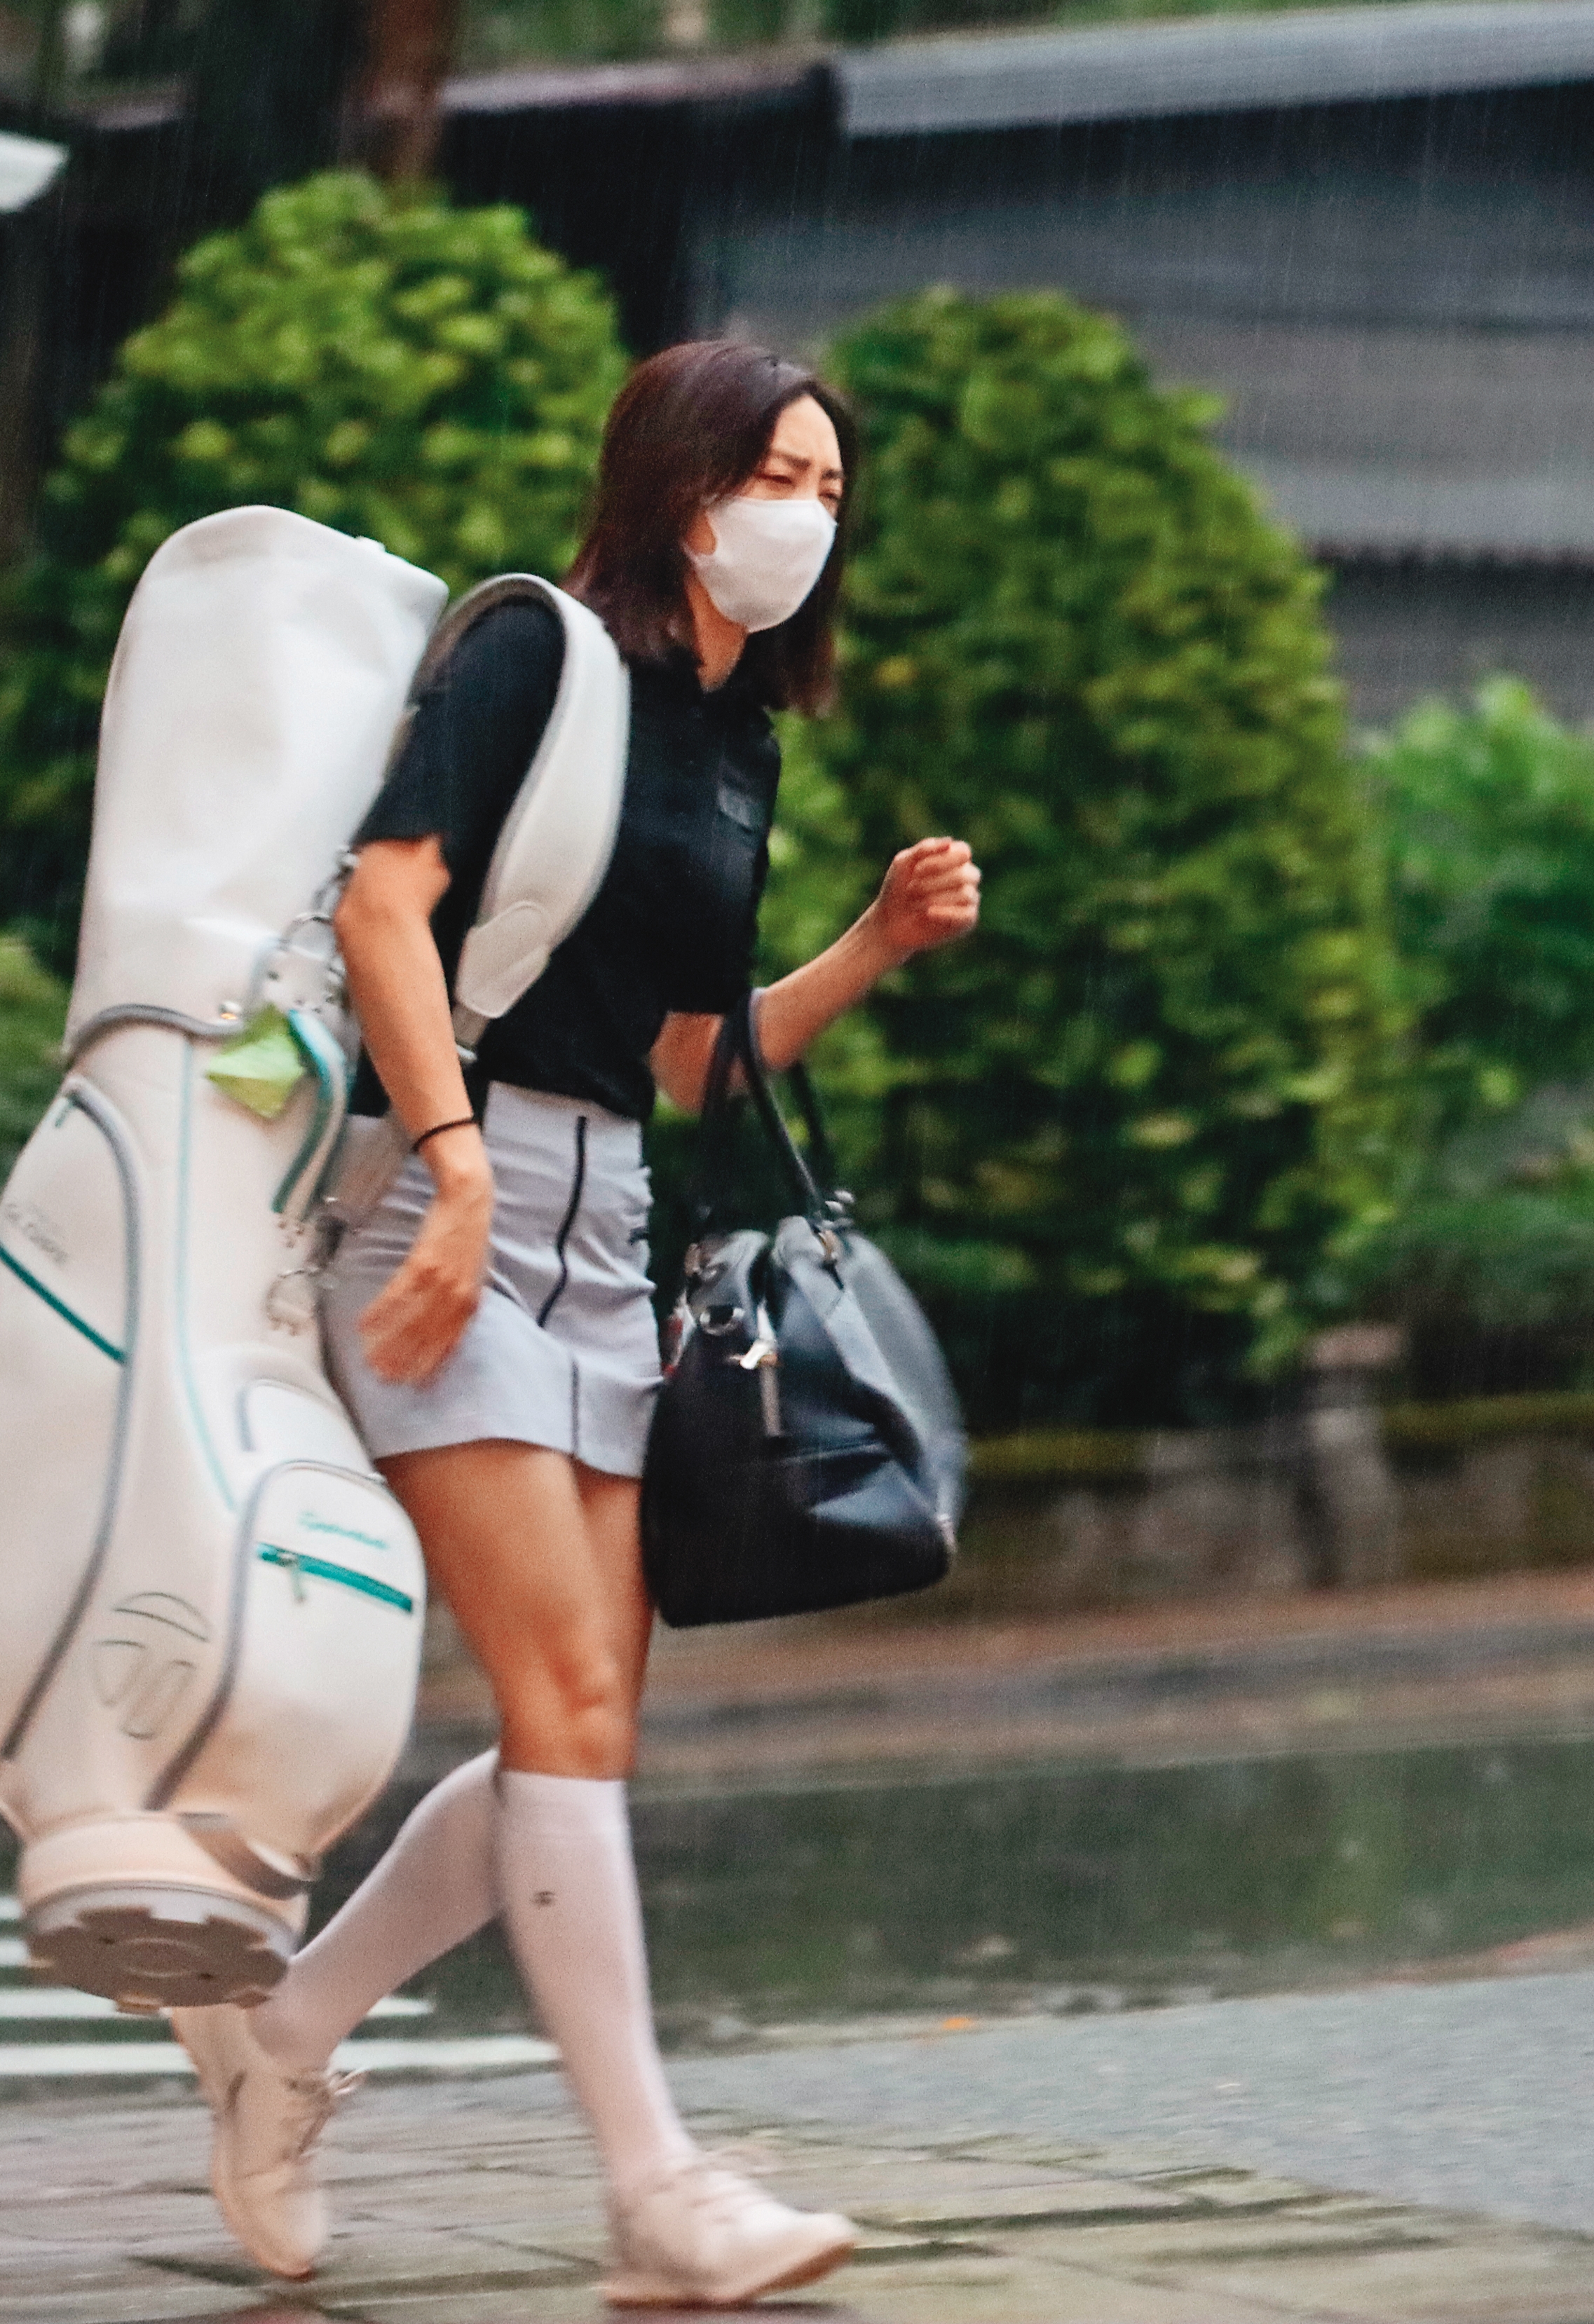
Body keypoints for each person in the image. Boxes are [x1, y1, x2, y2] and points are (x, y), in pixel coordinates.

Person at [168, 340, 983, 2308]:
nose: (806, 512)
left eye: (832, 488)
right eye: (779, 471)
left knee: (584, 1725)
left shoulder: (738, 742)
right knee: (559, 1705)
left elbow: (694, 1063)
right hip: (441, 1211)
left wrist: (868, 949)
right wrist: (451, 1164)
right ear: (685, 480)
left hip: (603, 1225)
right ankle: (656, 2191)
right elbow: (387, 907)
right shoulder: (535, 656)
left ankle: (281, 2043)